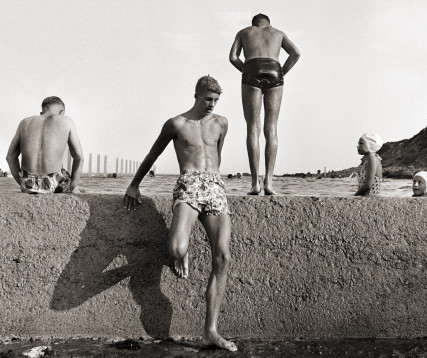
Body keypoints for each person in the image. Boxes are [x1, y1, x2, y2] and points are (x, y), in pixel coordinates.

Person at [123, 76, 237, 352]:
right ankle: (180, 252)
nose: (211, 104)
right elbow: (154, 153)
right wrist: (135, 184)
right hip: (188, 184)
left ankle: (210, 331)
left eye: (216, 100)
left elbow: (217, 157)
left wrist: (215, 183)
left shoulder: (221, 123)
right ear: (196, 95)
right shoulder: (177, 124)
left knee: (222, 256)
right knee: (175, 249)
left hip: (214, 187)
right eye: (207, 99)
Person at [229, 13, 301, 195]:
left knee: (253, 127)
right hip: (274, 68)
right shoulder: (278, 33)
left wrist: (245, 70)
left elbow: (233, 57)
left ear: (254, 24)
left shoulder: (244, 32)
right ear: (268, 24)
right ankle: (269, 182)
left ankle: (255, 183)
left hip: (251, 68)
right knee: (272, 127)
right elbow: (296, 53)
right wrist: (281, 72)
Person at [6, 96, 84, 194]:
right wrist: (73, 185)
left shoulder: (24, 122)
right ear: (61, 112)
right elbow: (79, 157)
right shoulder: (66, 121)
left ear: (41, 113)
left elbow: (10, 157)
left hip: (28, 184)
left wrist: (22, 182)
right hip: (55, 184)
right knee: (78, 189)